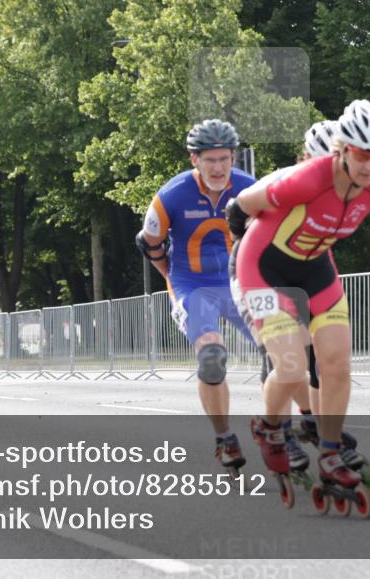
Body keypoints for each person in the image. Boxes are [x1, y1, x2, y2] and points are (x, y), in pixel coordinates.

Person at [227, 100, 370, 513]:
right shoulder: (304, 180)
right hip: (262, 268)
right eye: (362, 154)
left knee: (336, 363)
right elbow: (237, 208)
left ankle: (331, 451)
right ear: (342, 149)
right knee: (290, 366)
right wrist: (238, 271)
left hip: (316, 271)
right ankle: (269, 429)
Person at [136, 119, 256, 474]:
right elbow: (149, 243)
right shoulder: (171, 195)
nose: (218, 167)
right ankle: (224, 437)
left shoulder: (251, 188)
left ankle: (307, 425)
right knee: (212, 357)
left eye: (224, 159)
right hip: (192, 283)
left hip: (239, 282)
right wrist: (174, 285)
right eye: (210, 160)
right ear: (194, 160)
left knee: (285, 352)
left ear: (233, 156)